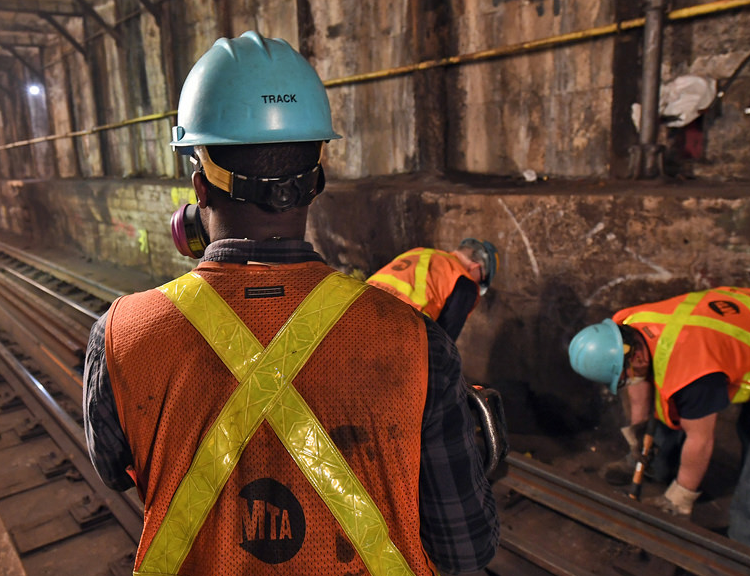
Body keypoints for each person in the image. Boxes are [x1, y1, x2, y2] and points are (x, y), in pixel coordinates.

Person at [82, 31, 497, 575]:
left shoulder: (120, 334)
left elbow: (116, 469)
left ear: (199, 189)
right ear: (316, 180)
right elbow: (464, 550)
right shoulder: (416, 342)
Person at [569, 286, 750, 550]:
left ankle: (747, 545)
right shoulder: (625, 326)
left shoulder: (693, 372)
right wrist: (637, 434)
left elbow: (700, 440)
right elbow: (636, 379)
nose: (627, 380)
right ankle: (653, 466)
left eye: (623, 374)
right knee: (670, 401)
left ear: (636, 355)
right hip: (742, 315)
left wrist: (681, 498)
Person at [367, 240, 499, 341]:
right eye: (480, 280)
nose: (476, 283)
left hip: (354, 311)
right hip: (393, 332)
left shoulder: (418, 252)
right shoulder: (463, 281)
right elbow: (443, 345)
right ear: (475, 267)